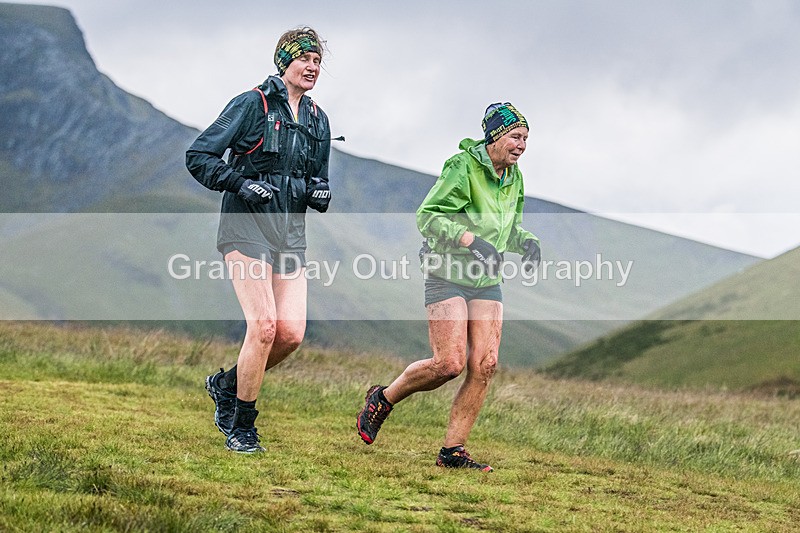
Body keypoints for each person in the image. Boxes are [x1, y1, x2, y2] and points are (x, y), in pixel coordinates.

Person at [356, 102, 541, 471]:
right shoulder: (462, 167)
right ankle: (383, 399)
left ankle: (452, 452)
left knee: (485, 364)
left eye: (525, 139)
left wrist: (526, 242)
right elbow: (428, 216)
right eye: (515, 136)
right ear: (495, 136)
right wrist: (470, 239)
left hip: (487, 281)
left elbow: (509, 227)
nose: (521, 145)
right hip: (447, 273)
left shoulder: (514, 176)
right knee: (449, 363)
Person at [186, 27, 337, 453]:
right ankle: (242, 425)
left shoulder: (317, 119)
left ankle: (225, 383)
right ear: (284, 62)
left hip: (289, 234)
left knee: (290, 333)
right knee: (265, 326)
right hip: (245, 227)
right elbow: (199, 155)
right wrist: (238, 183)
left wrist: (319, 191)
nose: (311, 68)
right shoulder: (251, 104)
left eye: (317, 62)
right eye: (304, 59)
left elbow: (317, 177)